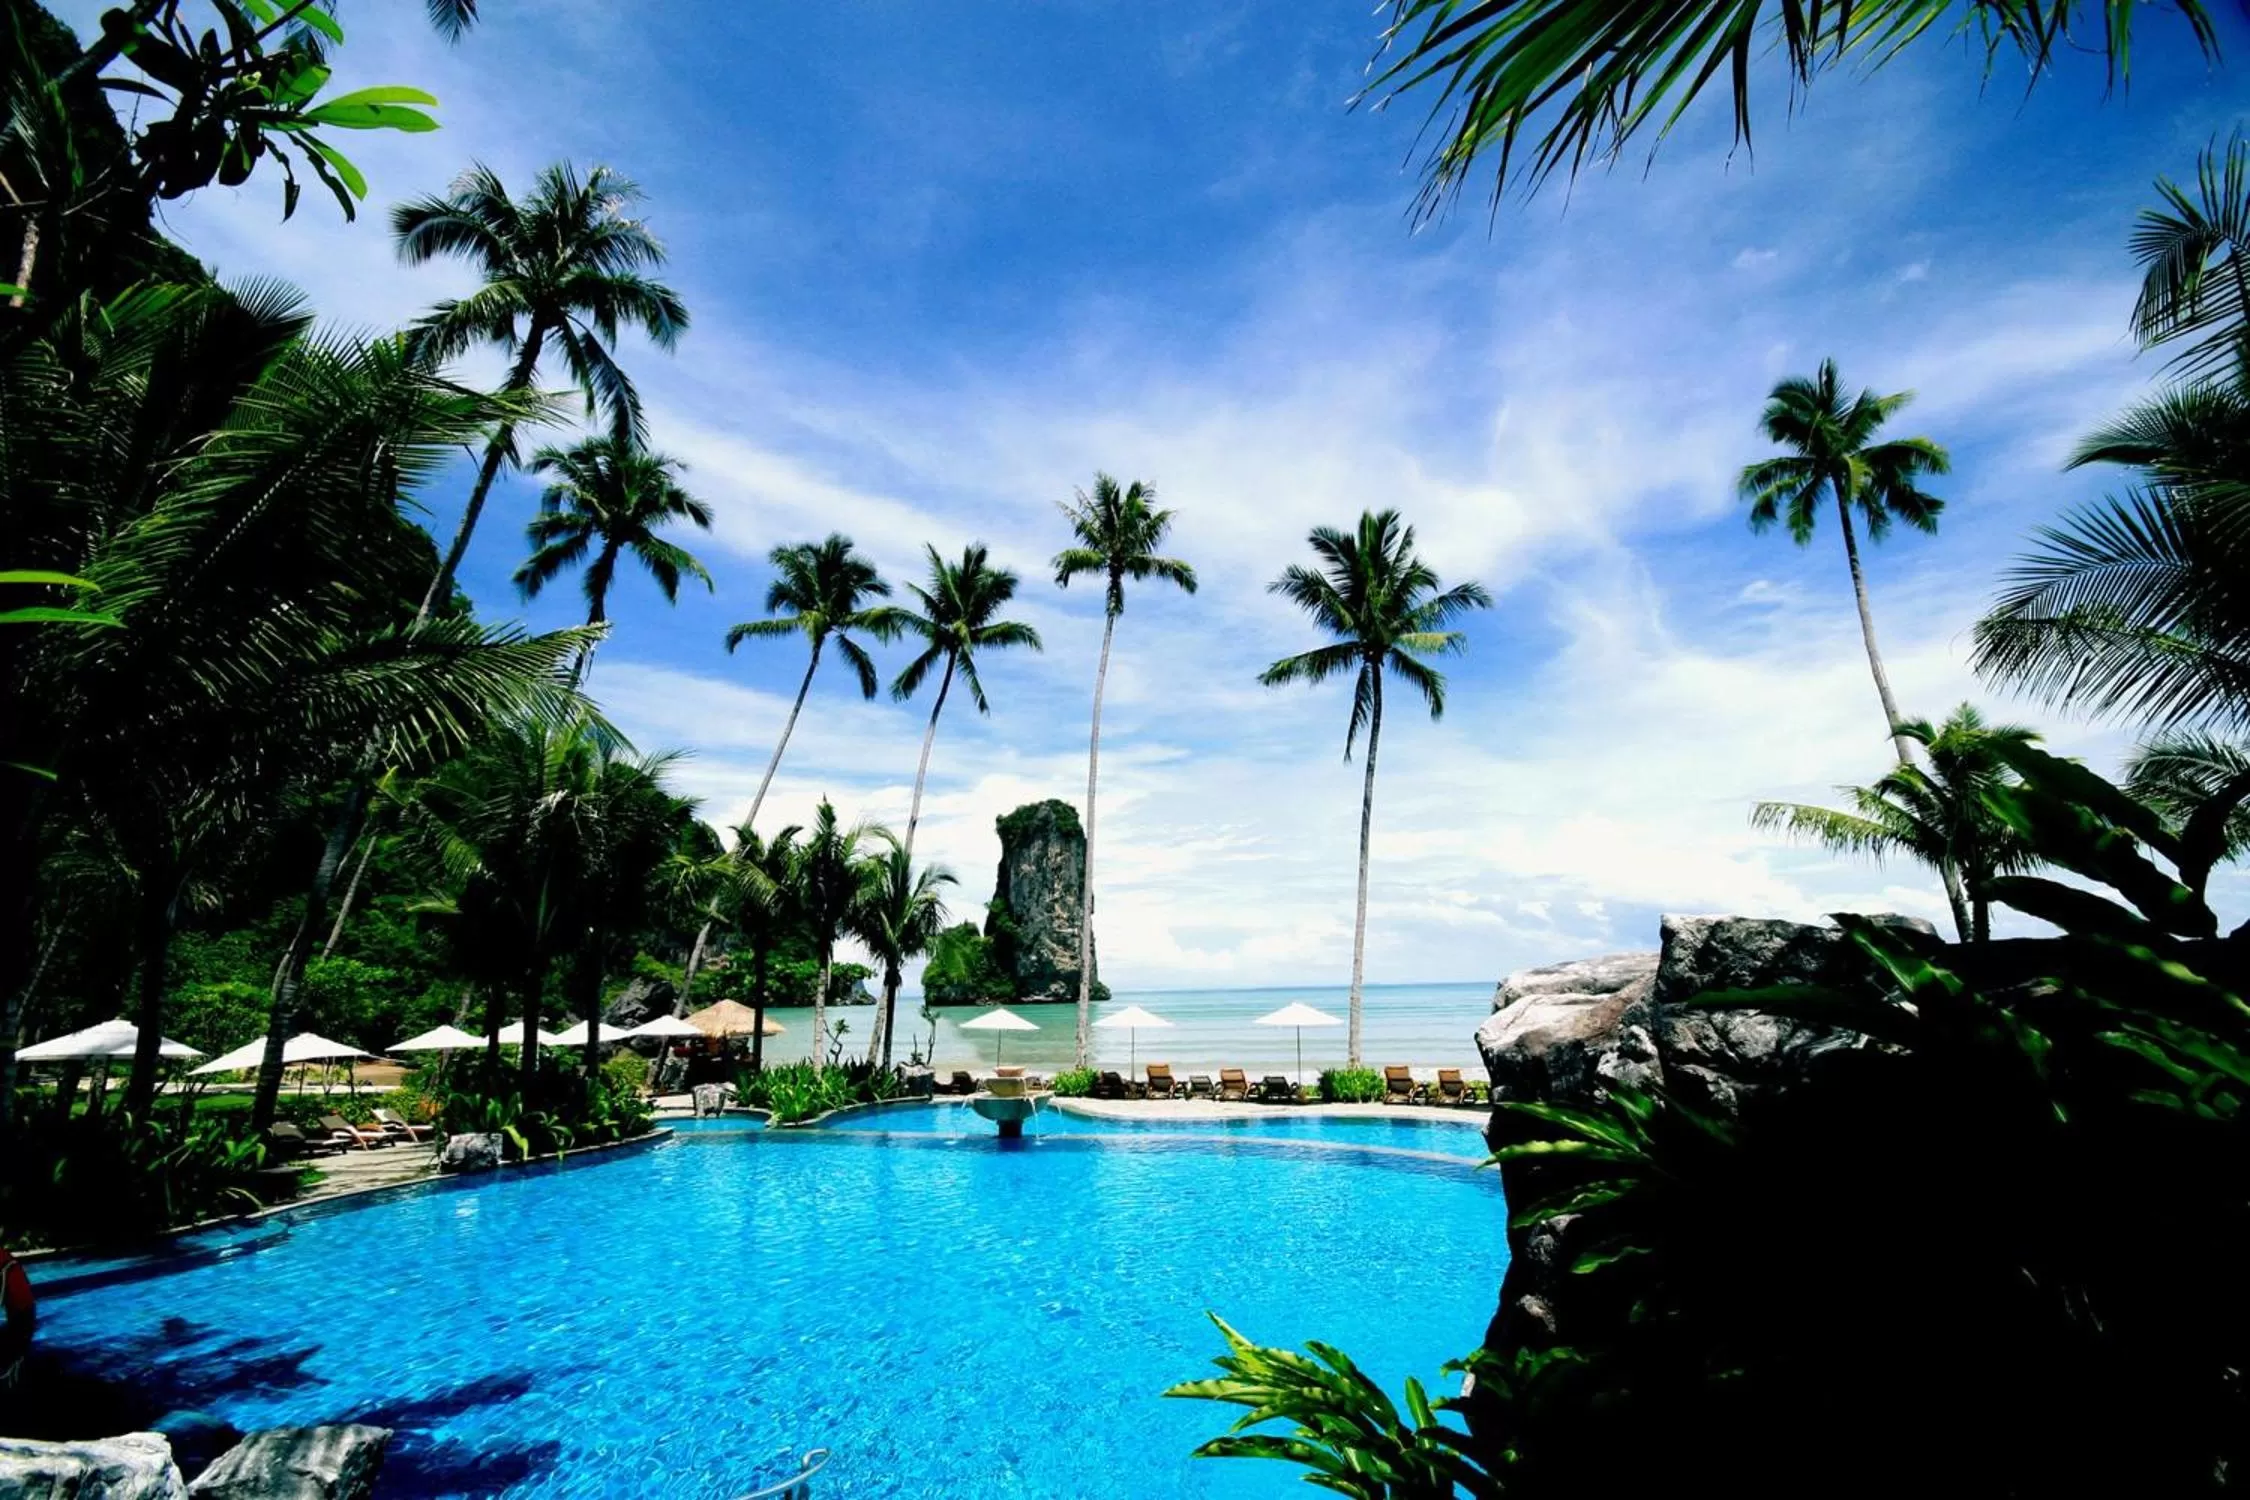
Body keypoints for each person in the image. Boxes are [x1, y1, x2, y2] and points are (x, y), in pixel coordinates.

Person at [0, 1244, 32, 1390]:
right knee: (15, 1351)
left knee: (15, 1352)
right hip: (20, 1310)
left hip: (22, 1311)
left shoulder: (5, 1262)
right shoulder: (5, 1259)